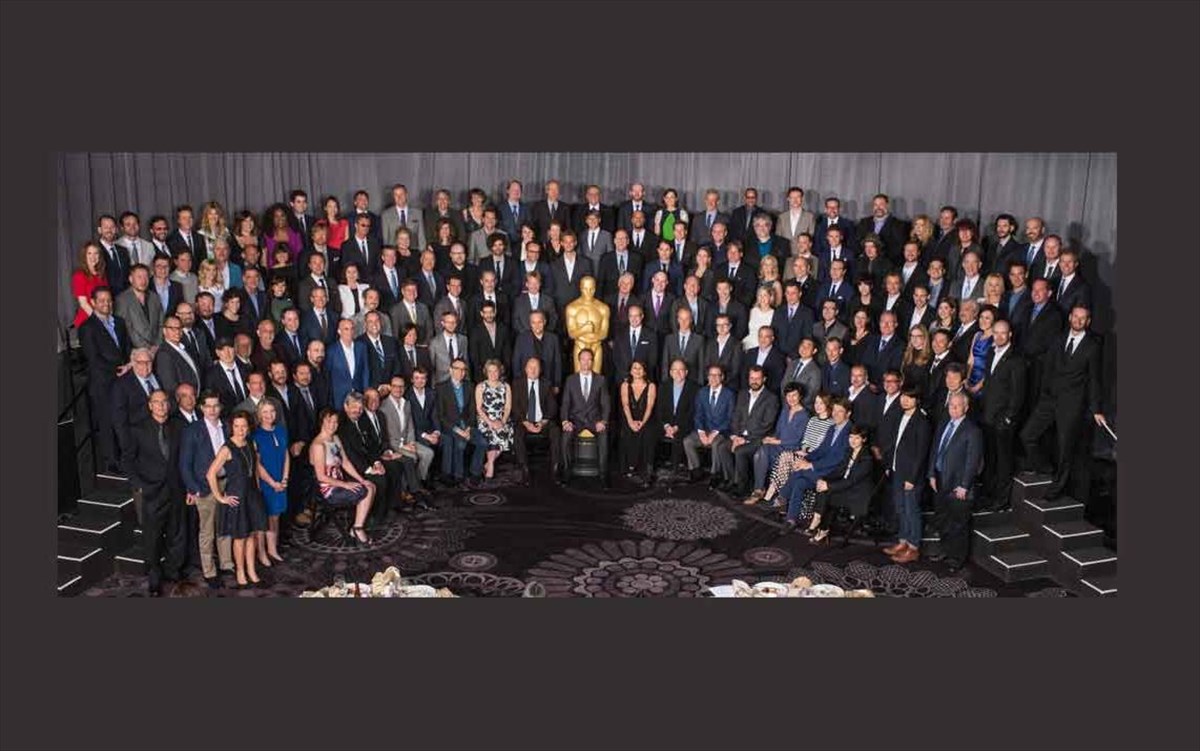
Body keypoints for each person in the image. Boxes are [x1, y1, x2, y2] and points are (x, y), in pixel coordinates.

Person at [1020, 305, 1106, 500]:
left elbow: (1094, 380)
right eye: (1075, 316)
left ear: (1088, 321)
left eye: (1082, 318)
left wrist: (1096, 409)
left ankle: (1057, 486)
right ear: (1070, 317)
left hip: (1071, 404)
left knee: (1064, 448)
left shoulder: (1092, 346)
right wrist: (1043, 394)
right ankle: (1044, 467)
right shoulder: (1057, 339)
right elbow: (1047, 369)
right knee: (1027, 435)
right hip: (1049, 399)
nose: (1078, 320)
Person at [123, 389, 186, 596]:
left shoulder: (178, 426)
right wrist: (139, 484)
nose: (161, 406)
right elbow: (128, 460)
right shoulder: (138, 430)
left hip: (176, 489)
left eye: (164, 401)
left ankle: (173, 572)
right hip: (152, 491)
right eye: (156, 402)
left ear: (169, 404)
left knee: (177, 534)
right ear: (150, 406)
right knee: (153, 537)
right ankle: (154, 577)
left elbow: (184, 458)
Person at [204, 411, 267, 587]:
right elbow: (210, 474)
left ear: (248, 427)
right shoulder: (227, 448)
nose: (241, 430)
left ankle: (251, 570)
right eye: (237, 426)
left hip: (252, 495)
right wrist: (220, 497)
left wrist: (258, 490)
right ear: (232, 427)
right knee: (240, 537)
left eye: (244, 426)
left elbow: (255, 470)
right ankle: (240, 571)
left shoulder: (251, 443)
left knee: (252, 535)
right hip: (237, 497)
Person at [927, 392, 984, 571]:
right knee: (942, 519)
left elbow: (973, 461)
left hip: (958, 485)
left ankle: (956, 559)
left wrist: (964, 486)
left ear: (966, 408)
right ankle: (945, 550)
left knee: (958, 524)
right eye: (951, 405)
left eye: (957, 406)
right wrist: (931, 474)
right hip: (939, 479)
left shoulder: (972, 431)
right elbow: (935, 449)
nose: (953, 409)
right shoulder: (944, 423)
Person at [78, 287, 132, 472]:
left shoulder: (119, 322)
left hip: (123, 378)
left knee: (123, 419)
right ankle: (112, 462)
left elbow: (126, 348)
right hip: (103, 382)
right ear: (93, 302)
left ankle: (126, 456)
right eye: (101, 300)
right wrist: (118, 370)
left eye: (109, 300)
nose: (106, 304)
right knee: (107, 422)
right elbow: (93, 359)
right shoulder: (87, 328)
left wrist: (128, 365)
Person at [779, 398, 852, 531]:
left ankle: (782, 497)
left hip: (834, 473)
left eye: (840, 411)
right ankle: (791, 519)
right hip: (821, 469)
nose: (835, 414)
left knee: (800, 471)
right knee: (799, 482)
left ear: (848, 414)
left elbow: (838, 459)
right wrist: (805, 459)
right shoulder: (832, 428)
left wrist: (810, 465)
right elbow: (821, 450)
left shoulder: (850, 432)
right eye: (834, 410)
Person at [977, 319, 1025, 511]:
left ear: (1010, 334)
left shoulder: (1017, 360)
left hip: (1003, 421)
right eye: (995, 332)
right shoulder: (991, 353)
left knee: (1004, 462)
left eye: (1002, 333)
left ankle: (1002, 499)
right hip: (988, 417)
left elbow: (1018, 394)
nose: (998, 336)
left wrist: (1008, 418)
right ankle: (989, 494)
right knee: (991, 459)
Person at [879, 389, 932, 563]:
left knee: (912, 511)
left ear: (917, 400)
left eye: (910, 397)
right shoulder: (900, 416)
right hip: (897, 470)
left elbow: (921, 454)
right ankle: (903, 542)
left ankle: (913, 547)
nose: (905, 400)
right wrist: (889, 465)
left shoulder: (922, 422)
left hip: (911, 476)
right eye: (903, 396)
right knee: (901, 508)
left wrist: (912, 478)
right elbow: (895, 444)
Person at [309, 408, 375, 544]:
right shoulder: (318, 445)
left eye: (336, 422)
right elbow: (321, 477)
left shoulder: (336, 438)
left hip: (339, 482)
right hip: (328, 489)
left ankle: (356, 527)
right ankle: (358, 529)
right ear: (322, 422)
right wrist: (346, 484)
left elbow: (345, 462)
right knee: (366, 491)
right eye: (329, 421)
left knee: (370, 485)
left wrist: (361, 479)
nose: (333, 425)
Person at [762, 392, 833, 506]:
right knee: (785, 458)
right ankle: (776, 496)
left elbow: (823, 447)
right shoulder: (813, 420)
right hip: (804, 453)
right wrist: (804, 449)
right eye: (816, 403)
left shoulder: (831, 424)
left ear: (827, 405)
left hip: (815, 458)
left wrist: (808, 452)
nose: (818, 406)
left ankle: (774, 496)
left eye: (821, 403)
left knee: (786, 457)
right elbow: (805, 440)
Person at [807, 425, 876, 544]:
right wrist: (823, 480)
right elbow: (839, 470)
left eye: (857, 438)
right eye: (851, 437)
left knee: (828, 494)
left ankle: (820, 526)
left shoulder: (867, 458)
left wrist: (828, 486)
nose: (853, 441)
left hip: (858, 494)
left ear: (864, 440)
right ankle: (819, 523)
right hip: (846, 486)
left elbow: (852, 481)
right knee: (824, 488)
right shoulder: (849, 451)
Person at [745, 382, 809, 505]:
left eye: (794, 395)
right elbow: (778, 430)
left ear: (800, 396)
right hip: (778, 446)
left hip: (791, 449)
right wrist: (771, 438)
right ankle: (759, 489)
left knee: (763, 453)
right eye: (788, 395)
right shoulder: (785, 410)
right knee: (761, 451)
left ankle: (764, 491)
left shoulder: (804, 415)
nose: (791, 398)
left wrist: (776, 441)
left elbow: (797, 439)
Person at [559, 348, 612, 487]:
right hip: (576, 420)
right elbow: (565, 403)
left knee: (604, 437)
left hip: (595, 421)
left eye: (589, 360)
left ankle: (603, 474)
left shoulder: (601, 380)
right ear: (579, 361)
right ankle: (566, 472)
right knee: (565, 438)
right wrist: (565, 421)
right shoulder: (571, 380)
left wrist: (603, 421)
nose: (586, 363)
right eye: (583, 359)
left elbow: (606, 404)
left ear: (593, 361)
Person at [511, 357, 563, 485]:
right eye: (530, 367)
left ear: (540, 370)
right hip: (524, 421)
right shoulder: (517, 384)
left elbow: (552, 407)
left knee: (556, 431)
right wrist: (526, 422)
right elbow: (515, 407)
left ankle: (556, 468)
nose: (533, 370)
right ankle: (524, 469)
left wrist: (543, 422)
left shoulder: (546, 384)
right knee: (517, 433)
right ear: (525, 369)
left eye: (536, 368)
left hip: (543, 421)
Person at [251, 400, 289, 565]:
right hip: (265, 482)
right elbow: (257, 464)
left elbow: (286, 455)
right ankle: (262, 553)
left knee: (275, 516)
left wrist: (285, 478)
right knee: (263, 519)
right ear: (259, 415)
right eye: (265, 412)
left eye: (272, 411)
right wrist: (272, 483)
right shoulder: (256, 435)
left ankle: (273, 549)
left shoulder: (281, 430)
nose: (269, 415)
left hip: (281, 480)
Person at [437, 359, 477, 486]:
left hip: (466, 425)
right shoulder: (441, 388)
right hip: (450, 426)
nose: (461, 372)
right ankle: (458, 476)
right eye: (457, 369)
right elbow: (441, 416)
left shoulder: (469, 386)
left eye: (463, 369)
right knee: (460, 443)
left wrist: (468, 428)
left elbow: (472, 411)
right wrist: (459, 431)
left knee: (482, 442)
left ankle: (474, 472)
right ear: (450, 370)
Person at [618, 360, 659, 487]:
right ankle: (631, 467)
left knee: (648, 433)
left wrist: (642, 423)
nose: (637, 371)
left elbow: (649, 407)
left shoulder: (651, 386)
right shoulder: (625, 385)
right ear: (630, 371)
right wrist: (631, 422)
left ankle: (647, 470)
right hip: (629, 418)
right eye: (634, 368)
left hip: (646, 419)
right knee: (627, 432)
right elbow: (625, 405)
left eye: (640, 368)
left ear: (645, 371)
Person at [658, 358, 699, 478]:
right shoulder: (664, 386)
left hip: (684, 424)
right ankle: (648, 468)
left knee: (678, 436)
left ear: (686, 372)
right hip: (666, 423)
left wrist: (676, 427)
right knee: (649, 432)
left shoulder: (694, 388)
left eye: (681, 370)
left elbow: (692, 412)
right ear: (670, 372)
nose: (678, 373)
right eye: (675, 370)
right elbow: (659, 410)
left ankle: (674, 471)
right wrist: (666, 426)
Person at [473, 359, 513, 480]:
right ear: (486, 372)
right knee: (491, 434)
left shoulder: (506, 386)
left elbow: (508, 407)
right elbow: (479, 408)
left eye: (495, 371)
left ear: (500, 371)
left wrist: (502, 421)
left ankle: (488, 464)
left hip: (501, 418)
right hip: (485, 419)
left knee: (502, 432)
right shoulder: (480, 386)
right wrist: (490, 422)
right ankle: (491, 466)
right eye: (490, 371)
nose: (493, 374)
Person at [115, 264, 165, 351]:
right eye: (139, 277)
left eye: (146, 277)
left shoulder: (155, 297)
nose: (143, 281)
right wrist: (146, 348)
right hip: (137, 350)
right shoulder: (122, 300)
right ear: (131, 279)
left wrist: (158, 344)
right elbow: (127, 328)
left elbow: (161, 323)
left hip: (157, 347)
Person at [327, 319, 369, 411]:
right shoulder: (331, 350)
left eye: (352, 329)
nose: (349, 332)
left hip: (358, 396)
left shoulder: (361, 347)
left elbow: (365, 371)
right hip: (339, 397)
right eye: (346, 329)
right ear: (339, 331)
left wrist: (365, 391)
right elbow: (328, 376)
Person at [71, 241, 108, 329]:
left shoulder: (102, 275)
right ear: (85, 256)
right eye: (89, 253)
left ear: (99, 256)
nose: (93, 257)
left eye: (96, 253)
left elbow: (107, 299)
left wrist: (107, 319)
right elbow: (83, 304)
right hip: (87, 319)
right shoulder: (79, 276)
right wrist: (99, 321)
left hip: (104, 317)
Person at [381, 184, 426, 254]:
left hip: (413, 252)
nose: (399, 197)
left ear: (406, 195)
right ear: (393, 197)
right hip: (394, 254)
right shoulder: (386, 215)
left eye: (401, 194)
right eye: (396, 195)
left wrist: (422, 253)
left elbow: (421, 236)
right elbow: (385, 239)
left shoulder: (417, 213)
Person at [782, 337, 822, 410]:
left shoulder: (816, 370)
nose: (804, 348)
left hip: (803, 409)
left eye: (808, 346)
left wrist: (795, 405)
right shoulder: (792, 363)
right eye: (802, 345)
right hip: (785, 406)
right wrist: (787, 402)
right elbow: (783, 384)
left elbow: (811, 394)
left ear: (814, 351)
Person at [966, 304, 997, 393]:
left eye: (987, 318)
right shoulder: (977, 335)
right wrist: (967, 380)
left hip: (984, 382)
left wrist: (977, 387)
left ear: (994, 321)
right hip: (971, 379)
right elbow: (970, 360)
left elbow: (992, 368)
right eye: (981, 317)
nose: (983, 321)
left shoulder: (995, 339)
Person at [900, 324, 933, 398]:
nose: (914, 339)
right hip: (905, 393)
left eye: (918, 336)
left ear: (925, 337)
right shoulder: (907, 353)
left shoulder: (930, 356)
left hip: (920, 395)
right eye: (912, 336)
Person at [742, 286, 776, 350]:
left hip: (764, 345)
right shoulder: (753, 311)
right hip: (749, 343)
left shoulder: (775, 313)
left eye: (765, 295)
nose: (762, 298)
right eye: (760, 295)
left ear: (770, 297)